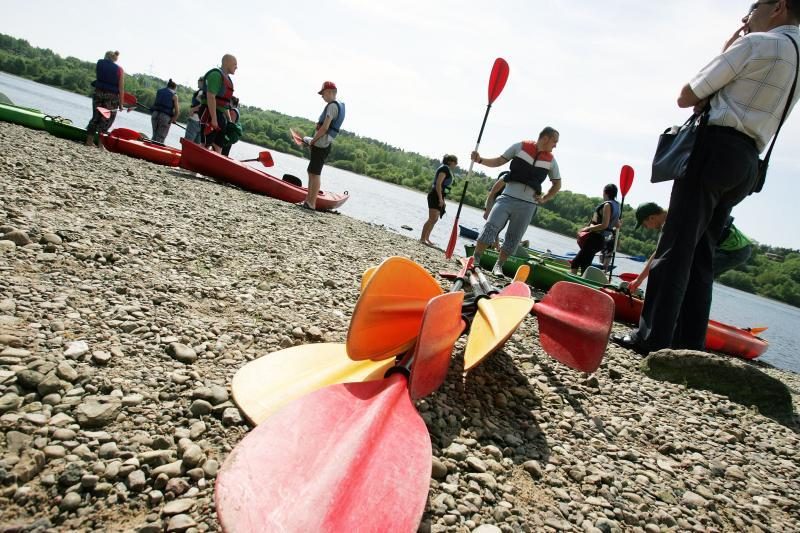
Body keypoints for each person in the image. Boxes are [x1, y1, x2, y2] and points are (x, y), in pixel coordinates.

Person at [613, 2, 799, 355]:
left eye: (753, 7)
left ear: (778, 7)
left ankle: (651, 339)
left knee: (676, 246)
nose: (747, 16)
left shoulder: (757, 44)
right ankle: (689, 344)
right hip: (748, 162)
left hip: (714, 149)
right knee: (702, 255)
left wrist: (728, 50)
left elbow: (688, 95)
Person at [470, 127, 562, 276]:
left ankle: (499, 266)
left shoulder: (551, 161)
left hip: (528, 205)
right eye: (554, 141)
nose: (555, 145)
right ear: (545, 138)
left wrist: (545, 198)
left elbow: (557, 184)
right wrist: (480, 160)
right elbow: (499, 161)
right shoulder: (520, 147)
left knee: (514, 237)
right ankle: (476, 258)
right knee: (491, 226)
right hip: (507, 198)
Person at [627, 203, 753, 292]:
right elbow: (662, 253)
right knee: (693, 276)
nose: (647, 228)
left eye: (644, 225)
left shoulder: (672, 221)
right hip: (728, 248)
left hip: (736, 250)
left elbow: (658, 254)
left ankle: (685, 316)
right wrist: (640, 279)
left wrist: (639, 280)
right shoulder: (673, 214)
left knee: (697, 277)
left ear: (651, 217)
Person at [300, 81, 346, 211]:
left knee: (315, 173)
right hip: (324, 143)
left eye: (323, 93)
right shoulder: (337, 105)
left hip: (321, 144)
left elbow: (325, 127)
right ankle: (308, 201)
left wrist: (313, 141)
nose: (322, 96)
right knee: (312, 171)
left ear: (331, 92)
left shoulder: (332, 106)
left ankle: (311, 203)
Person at [571, 184, 621, 275]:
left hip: (595, 238)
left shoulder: (607, 205)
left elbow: (604, 225)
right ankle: (582, 282)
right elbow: (617, 224)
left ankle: (574, 285)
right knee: (584, 264)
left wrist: (588, 228)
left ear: (605, 192)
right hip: (600, 240)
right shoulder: (617, 206)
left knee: (576, 262)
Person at [86, 50, 124, 148]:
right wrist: (121, 103)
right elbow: (121, 88)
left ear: (106, 56)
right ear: (115, 58)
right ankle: (100, 143)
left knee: (96, 116)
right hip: (111, 97)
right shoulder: (119, 69)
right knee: (106, 119)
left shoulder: (99, 63)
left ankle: (89, 141)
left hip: (98, 93)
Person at [200, 54, 237, 153]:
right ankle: (199, 159)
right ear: (226, 63)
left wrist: (229, 121)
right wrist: (214, 119)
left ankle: (212, 164)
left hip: (220, 114)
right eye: (234, 64)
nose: (236, 67)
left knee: (219, 144)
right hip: (209, 112)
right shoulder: (216, 75)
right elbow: (211, 96)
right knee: (206, 142)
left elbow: (224, 104)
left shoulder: (228, 80)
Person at [419, 154, 458, 245]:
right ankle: (422, 238)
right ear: (449, 161)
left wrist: (442, 199)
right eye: (455, 162)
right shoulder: (444, 169)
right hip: (435, 195)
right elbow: (438, 184)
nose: (456, 164)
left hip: (440, 196)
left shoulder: (447, 170)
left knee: (435, 219)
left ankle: (427, 238)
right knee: (432, 218)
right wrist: (440, 199)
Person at [151, 79, 179, 143]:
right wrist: (173, 120)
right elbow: (177, 112)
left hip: (155, 114)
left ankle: (150, 148)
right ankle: (156, 151)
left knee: (154, 135)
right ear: (174, 88)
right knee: (161, 137)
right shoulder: (174, 95)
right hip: (165, 117)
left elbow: (154, 104)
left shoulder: (159, 91)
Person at [184, 77, 205, 144]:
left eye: (198, 81)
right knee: (197, 144)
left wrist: (192, 110)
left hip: (194, 119)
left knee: (188, 141)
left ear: (202, 82)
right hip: (201, 122)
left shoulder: (201, 92)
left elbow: (202, 104)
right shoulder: (207, 93)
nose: (197, 83)